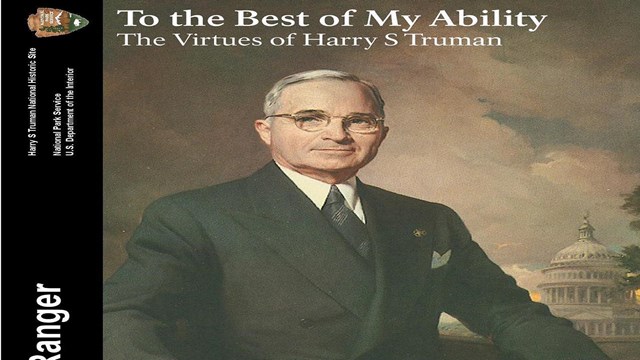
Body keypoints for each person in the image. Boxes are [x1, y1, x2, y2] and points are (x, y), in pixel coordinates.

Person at [103, 70, 610, 360]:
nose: (336, 134)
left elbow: (511, 315)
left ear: (381, 133)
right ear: (265, 130)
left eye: (358, 120)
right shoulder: (192, 215)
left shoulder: (430, 219)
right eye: (310, 118)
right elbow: (125, 317)